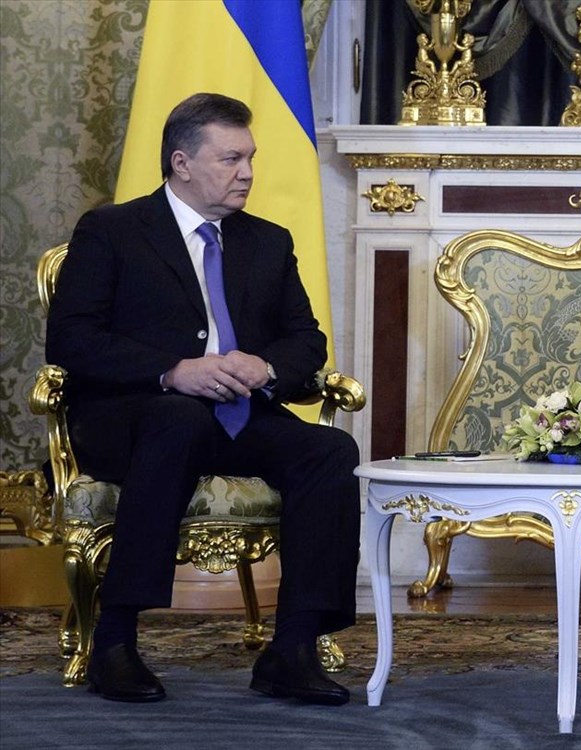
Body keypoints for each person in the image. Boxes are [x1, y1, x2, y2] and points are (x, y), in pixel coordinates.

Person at [46, 93, 361, 705]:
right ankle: (114, 641)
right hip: (134, 417)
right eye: (230, 159)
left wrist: (265, 366)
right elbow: (72, 339)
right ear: (182, 163)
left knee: (330, 451)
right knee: (177, 419)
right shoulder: (113, 230)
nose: (247, 172)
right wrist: (172, 372)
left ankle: (293, 648)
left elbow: (306, 340)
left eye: (250, 158)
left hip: (237, 416)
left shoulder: (268, 242)